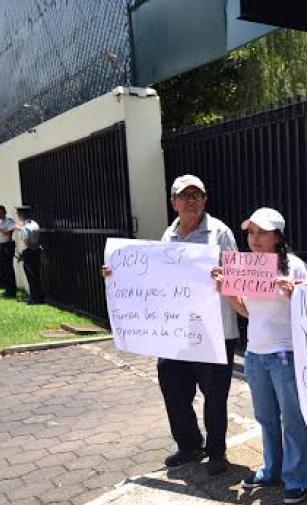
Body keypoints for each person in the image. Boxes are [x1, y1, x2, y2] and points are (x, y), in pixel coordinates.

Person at [101, 175, 239, 474]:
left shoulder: (220, 233)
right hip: (175, 331)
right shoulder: (169, 235)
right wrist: (117, 275)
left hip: (214, 331)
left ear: (205, 200)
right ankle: (189, 446)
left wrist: (223, 278)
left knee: (215, 397)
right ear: (173, 202)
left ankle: (216, 452)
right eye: (184, 195)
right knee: (174, 389)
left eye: (196, 194)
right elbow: (153, 278)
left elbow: (237, 275)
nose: (191, 200)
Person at [215, 207, 307, 505]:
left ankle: (298, 478)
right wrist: (225, 291)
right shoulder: (247, 267)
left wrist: (294, 294)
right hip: (255, 354)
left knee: (293, 418)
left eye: (262, 232)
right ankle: (272, 469)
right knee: (266, 417)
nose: (255, 238)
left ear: (277, 236)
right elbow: (248, 311)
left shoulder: (294, 266)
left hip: (285, 354)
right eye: (251, 232)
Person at [16, 206, 43, 304]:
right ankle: (39, 296)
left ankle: (34, 298)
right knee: (37, 275)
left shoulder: (24, 228)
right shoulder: (35, 224)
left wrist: (30, 249)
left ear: (20, 215)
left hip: (28, 252)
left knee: (31, 276)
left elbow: (27, 243)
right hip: (37, 251)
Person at [0, 205, 17, 297]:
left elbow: (7, 233)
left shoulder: (9, 221)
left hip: (7, 246)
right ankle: (6, 288)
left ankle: (11, 291)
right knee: (2, 269)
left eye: (0, 213)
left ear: (4, 212)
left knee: (8, 269)